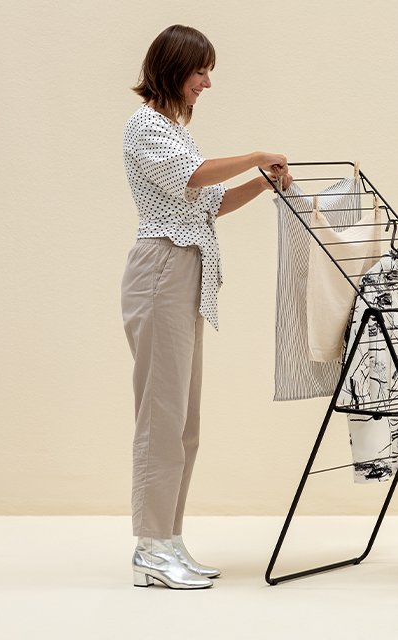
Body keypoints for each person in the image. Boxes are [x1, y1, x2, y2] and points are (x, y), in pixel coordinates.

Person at [120, 24, 292, 590]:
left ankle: (167, 539)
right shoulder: (146, 128)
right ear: (173, 69)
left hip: (183, 272)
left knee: (184, 421)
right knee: (161, 416)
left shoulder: (172, 131)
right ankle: (150, 546)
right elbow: (192, 177)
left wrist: (263, 184)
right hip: (162, 272)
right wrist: (255, 156)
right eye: (200, 71)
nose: (207, 82)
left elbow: (209, 200)